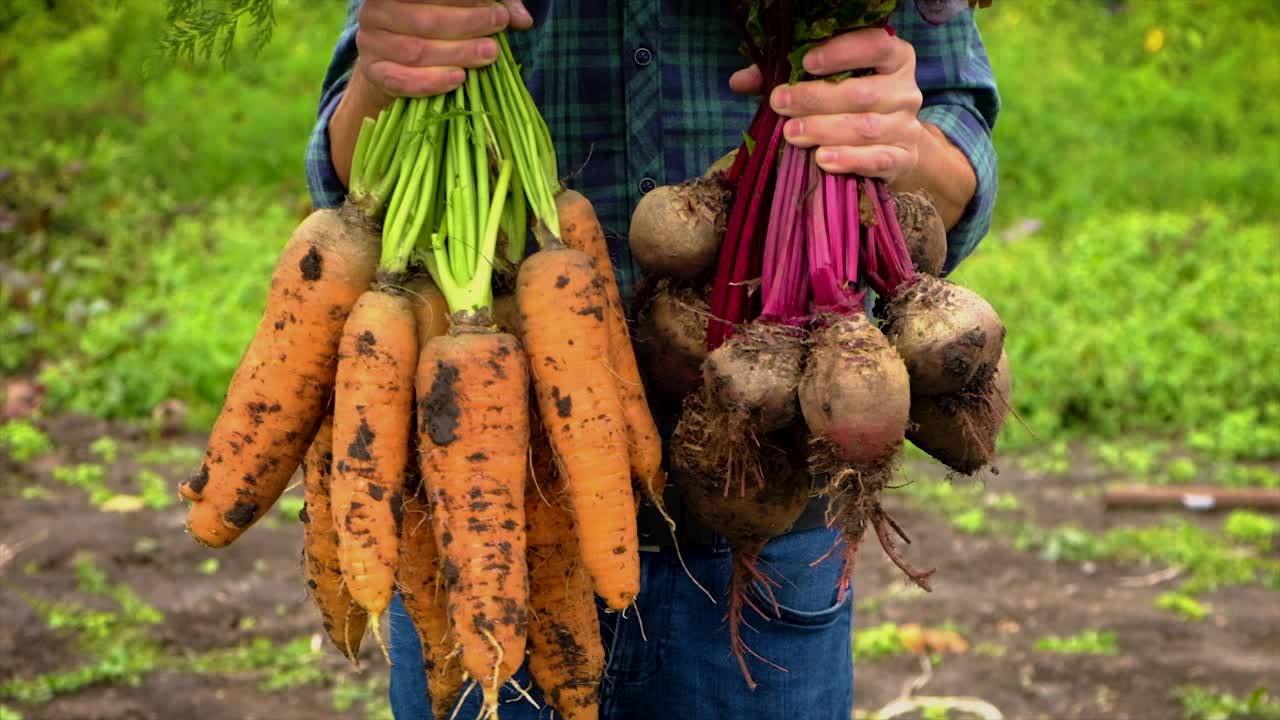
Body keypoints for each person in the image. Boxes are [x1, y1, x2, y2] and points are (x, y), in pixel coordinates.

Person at [305, 2, 999, 718]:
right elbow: (349, 174)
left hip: (764, 495)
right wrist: (394, 68)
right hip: (484, 522)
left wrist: (893, 143)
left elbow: (958, 133)